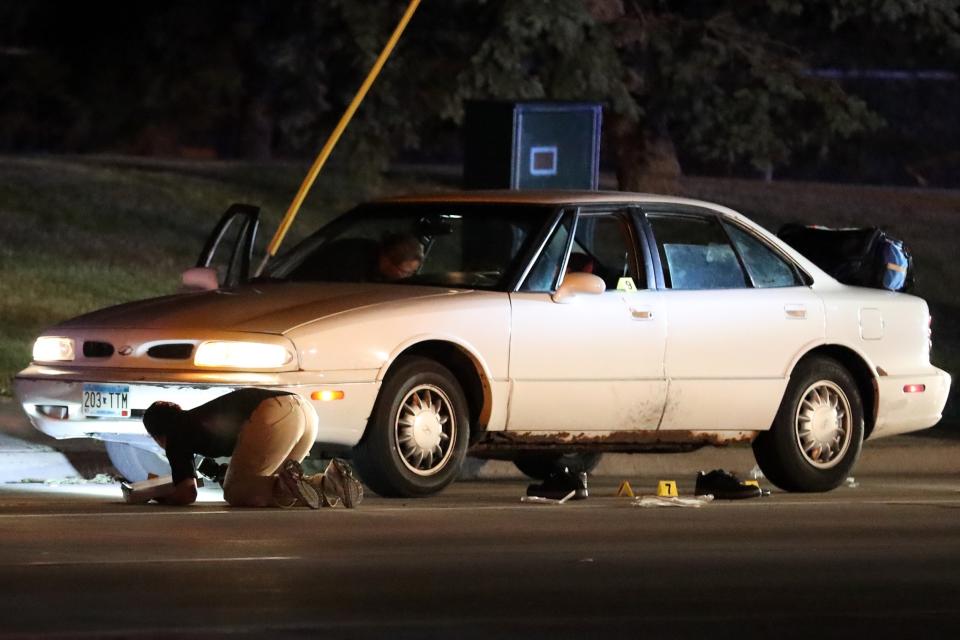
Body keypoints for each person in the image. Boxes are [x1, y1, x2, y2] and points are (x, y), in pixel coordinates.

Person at [128, 388, 362, 508]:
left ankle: (287, 485)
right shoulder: (194, 421)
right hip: (304, 411)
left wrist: (159, 495)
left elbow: (186, 494)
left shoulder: (176, 433)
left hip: (271, 413)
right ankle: (329, 483)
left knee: (237, 492)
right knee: (269, 482)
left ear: (157, 433)